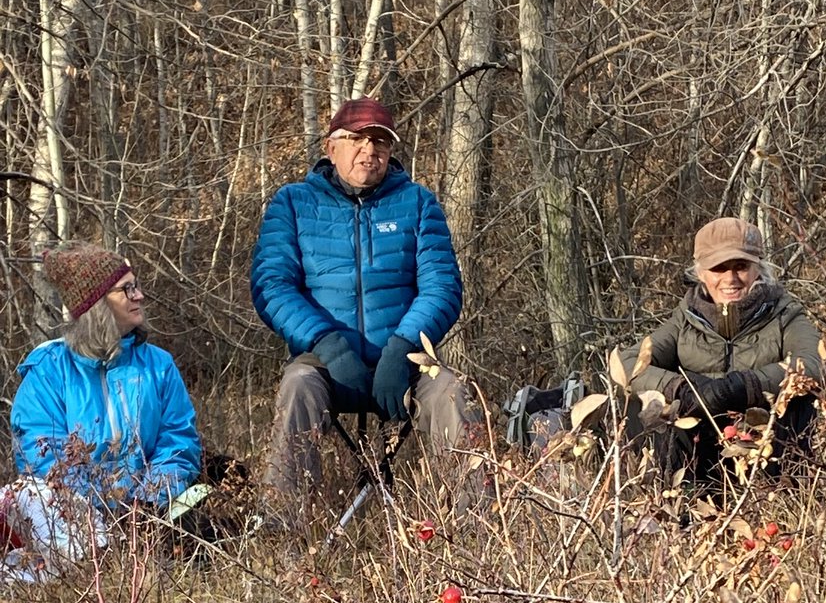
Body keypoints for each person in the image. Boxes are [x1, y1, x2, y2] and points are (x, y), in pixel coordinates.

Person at [251, 96, 477, 498]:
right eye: (357, 139)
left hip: (406, 364)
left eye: (380, 142)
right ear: (330, 147)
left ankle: (478, 530)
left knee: (450, 392)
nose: (369, 150)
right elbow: (272, 285)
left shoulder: (419, 203)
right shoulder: (293, 203)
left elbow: (442, 286)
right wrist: (328, 346)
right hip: (323, 361)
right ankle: (283, 528)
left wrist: (402, 348)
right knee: (298, 384)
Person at [7, 241, 203, 569]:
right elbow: (42, 460)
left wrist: (149, 500)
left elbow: (178, 442)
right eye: (126, 289)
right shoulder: (49, 371)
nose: (138, 296)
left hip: (149, 514)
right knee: (29, 495)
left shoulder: (159, 365)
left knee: (195, 513)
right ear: (97, 303)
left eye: (136, 286)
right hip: (76, 514)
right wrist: (103, 503)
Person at [618, 217, 822, 483]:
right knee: (637, 402)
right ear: (700, 273)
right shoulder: (683, 320)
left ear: (757, 269)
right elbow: (627, 362)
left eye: (740, 267)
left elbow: (813, 363)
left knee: (801, 402)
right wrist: (682, 389)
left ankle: (784, 496)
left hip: (763, 445)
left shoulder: (785, 315)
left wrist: (744, 385)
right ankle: (675, 503)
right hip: (697, 446)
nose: (731, 279)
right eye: (718, 268)